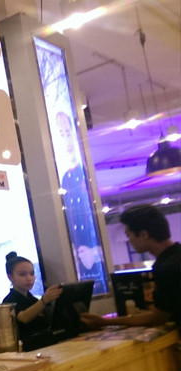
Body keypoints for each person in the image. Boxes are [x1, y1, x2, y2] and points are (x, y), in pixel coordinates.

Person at [81, 205, 180, 328]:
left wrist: (104, 321)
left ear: (144, 235)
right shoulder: (174, 257)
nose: (129, 241)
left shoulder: (167, 268)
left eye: (129, 236)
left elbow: (158, 318)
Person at [55, 111, 106, 294]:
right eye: (62, 134)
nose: (66, 139)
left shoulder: (86, 174)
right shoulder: (64, 179)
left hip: (95, 263)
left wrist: (95, 252)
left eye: (68, 133)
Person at [2, 252, 63, 350]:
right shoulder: (9, 300)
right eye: (22, 274)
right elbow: (23, 317)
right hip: (26, 348)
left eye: (32, 273)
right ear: (10, 277)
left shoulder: (33, 299)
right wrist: (44, 301)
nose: (29, 278)